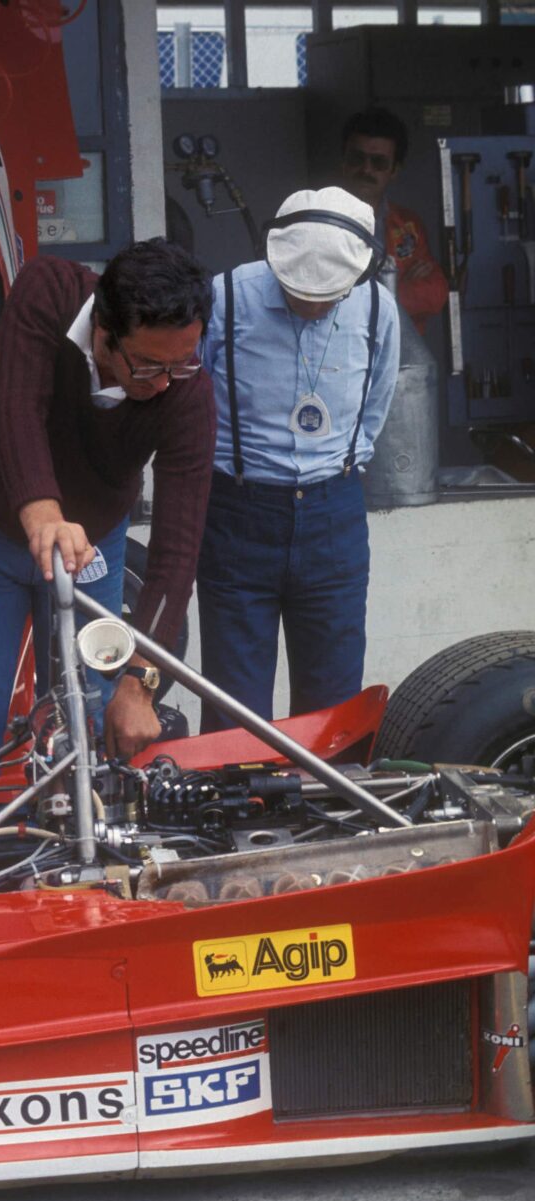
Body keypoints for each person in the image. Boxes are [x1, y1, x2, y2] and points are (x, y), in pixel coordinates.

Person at [0, 238, 215, 788]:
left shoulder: (188, 392)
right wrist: (42, 515)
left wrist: (141, 681)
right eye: (149, 364)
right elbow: (16, 409)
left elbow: (178, 549)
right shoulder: (48, 291)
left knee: (87, 708)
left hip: (94, 541)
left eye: (182, 363)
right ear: (105, 333)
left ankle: (70, 850)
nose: (163, 383)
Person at [197, 187, 400, 732]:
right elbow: (189, 399)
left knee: (332, 708)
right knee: (232, 709)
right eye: (296, 290)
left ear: (356, 275)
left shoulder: (378, 308)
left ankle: (327, 813)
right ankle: (231, 812)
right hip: (237, 512)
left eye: (327, 294)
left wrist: (340, 468)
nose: (311, 305)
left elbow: (375, 406)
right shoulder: (226, 297)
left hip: (334, 514)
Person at [341, 107, 448, 335]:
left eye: (378, 162)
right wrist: (398, 289)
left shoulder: (408, 225)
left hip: (400, 356)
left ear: (394, 171)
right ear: (344, 161)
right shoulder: (317, 222)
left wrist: (368, 300)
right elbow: (324, 303)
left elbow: (435, 293)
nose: (366, 169)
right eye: (357, 158)